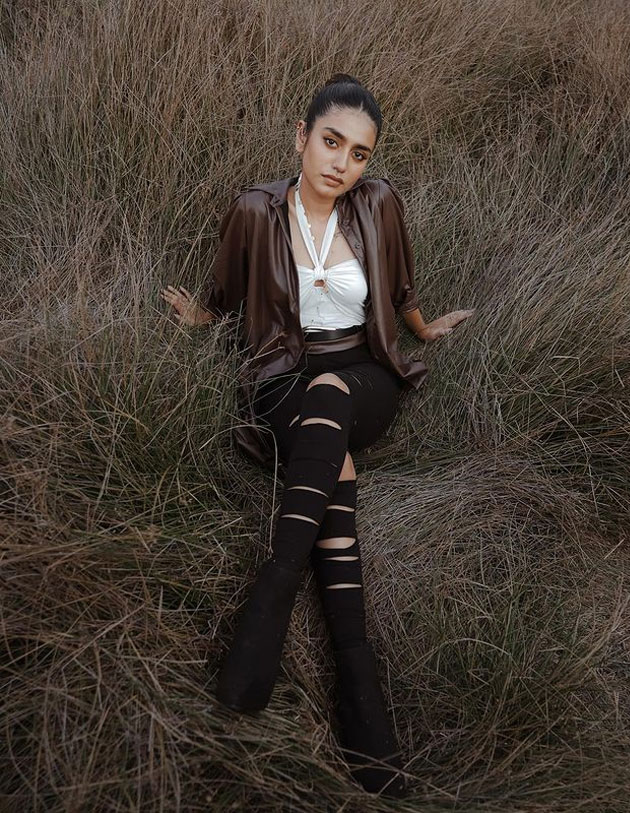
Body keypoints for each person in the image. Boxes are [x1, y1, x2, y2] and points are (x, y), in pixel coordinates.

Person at [161, 73, 474, 798]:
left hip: (360, 376)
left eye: (359, 153)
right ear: (302, 137)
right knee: (335, 469)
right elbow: (227, 292)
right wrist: (200, 318)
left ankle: (273, 592)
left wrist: (426, 330)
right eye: (331, 142)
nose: (343, 163)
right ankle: (361, 692)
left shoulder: (379, 203)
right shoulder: (254, 209)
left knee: (331, 399)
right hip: (281, 375)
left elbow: (400, 289)